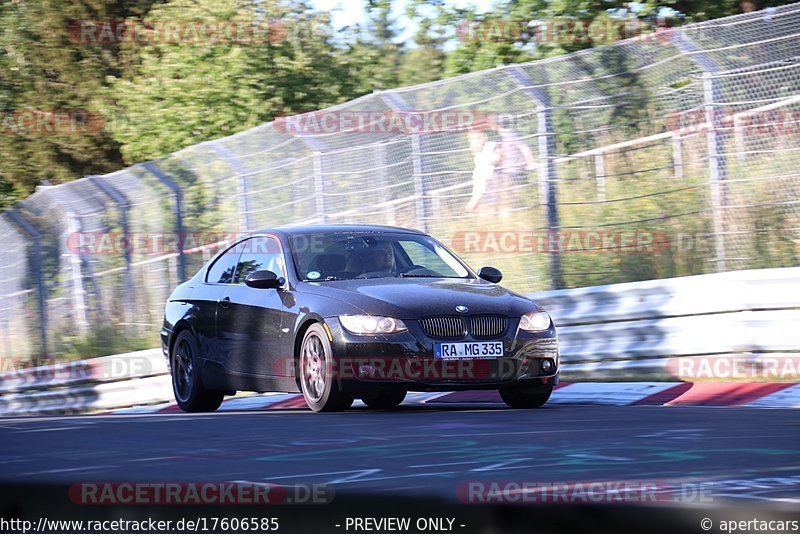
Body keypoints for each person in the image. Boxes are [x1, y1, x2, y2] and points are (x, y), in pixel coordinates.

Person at [495, 116, 536, 213]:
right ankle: (513, 214)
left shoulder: (510, 134)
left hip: (513, 170)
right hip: (509, 170)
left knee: (506, 197)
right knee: (511, 196)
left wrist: (530, 162)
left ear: (499, 125)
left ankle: (506, 217)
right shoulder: (502, 137)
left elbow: (524, 147)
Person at [465, 130, 500, 213]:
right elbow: (493, 159)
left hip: (489, 177)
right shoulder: (477, 150)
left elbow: (495, 158)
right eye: (475, 139)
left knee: (488, 199)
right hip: (481, 176)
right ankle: (469, 209)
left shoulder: (490, 145)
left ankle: (476, 209)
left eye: (479, 138)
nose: (479, 141)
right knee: (478, 195)